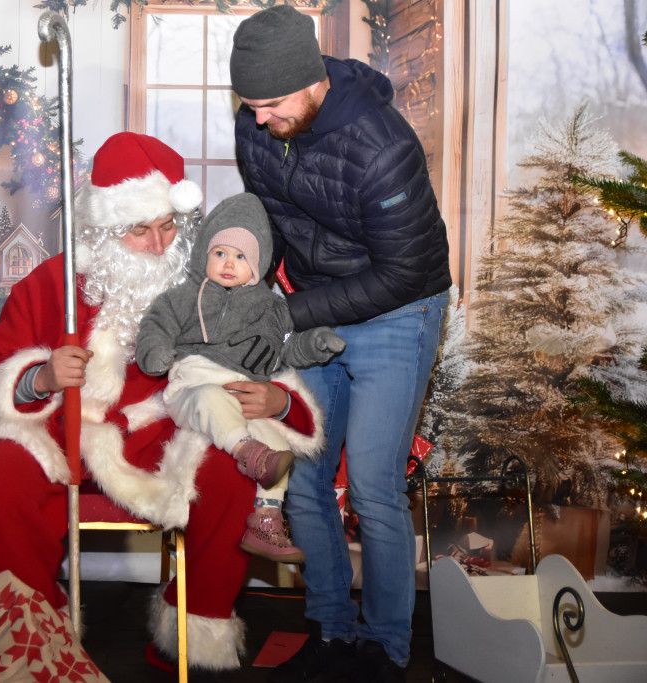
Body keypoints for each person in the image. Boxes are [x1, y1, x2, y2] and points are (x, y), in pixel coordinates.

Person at [0, 132, 326, 673]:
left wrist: (277, 400)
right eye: (138, 230)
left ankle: (192, 629)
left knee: (234, 464)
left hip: (169, 439)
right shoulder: (50, 286)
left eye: (168, 226)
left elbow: (271, 362)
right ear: (104, 231)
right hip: (66, 442)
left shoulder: (218, 289)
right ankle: (30, 633)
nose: (158, 245)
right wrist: (39, 377)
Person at [229, 6, 452, 683]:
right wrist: (243, 283)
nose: (259, 118)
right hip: (315, 304)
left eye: (270, 102)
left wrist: (288, 312)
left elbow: (404, 271)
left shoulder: (381, 144)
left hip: (400, 308)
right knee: (308, 480)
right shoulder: (259, 127)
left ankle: (384, 647)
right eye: (250, 104)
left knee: (375, 488)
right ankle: (331, 630)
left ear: (312, 78)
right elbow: (269, 217)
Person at [135, 192, 343, 564]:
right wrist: (155, 352)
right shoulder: (183, 297)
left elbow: (286, 351)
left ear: (257, 265)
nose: (229, 263)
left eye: (240, 256)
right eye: (220, 253)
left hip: (244, 393)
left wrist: (315, 344)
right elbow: (156, 325)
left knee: (277, 445)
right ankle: (247, 453)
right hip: (193, 383)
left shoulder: (271, 310)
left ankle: (266, 519)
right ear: (204, 255)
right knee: (209, 400)